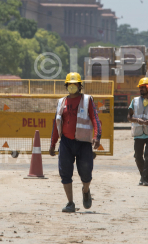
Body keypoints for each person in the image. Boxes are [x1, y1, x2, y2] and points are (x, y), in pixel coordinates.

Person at [49, 72, 102, 213]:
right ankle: (70, 203)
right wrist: (53, 143)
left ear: (80, 86)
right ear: (66, 86)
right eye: (70, 85)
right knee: (65, 172)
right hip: (66, 142)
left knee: (86, 172)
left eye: (75, 84)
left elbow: (95, 119)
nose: (72, 87)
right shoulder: (61, 102)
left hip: (84, 143)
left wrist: (97, 136)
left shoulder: (87, 100)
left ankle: (85, 190)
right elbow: (56, 124)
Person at [127, 77, 148, 186]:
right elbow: (129, 116)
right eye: (140, 88)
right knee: (138, 156)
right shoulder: (135, 101)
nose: (140, 89)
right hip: (138, 133)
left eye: (143, 87)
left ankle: (145, 179)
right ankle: (143, 175)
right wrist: (137, 120)